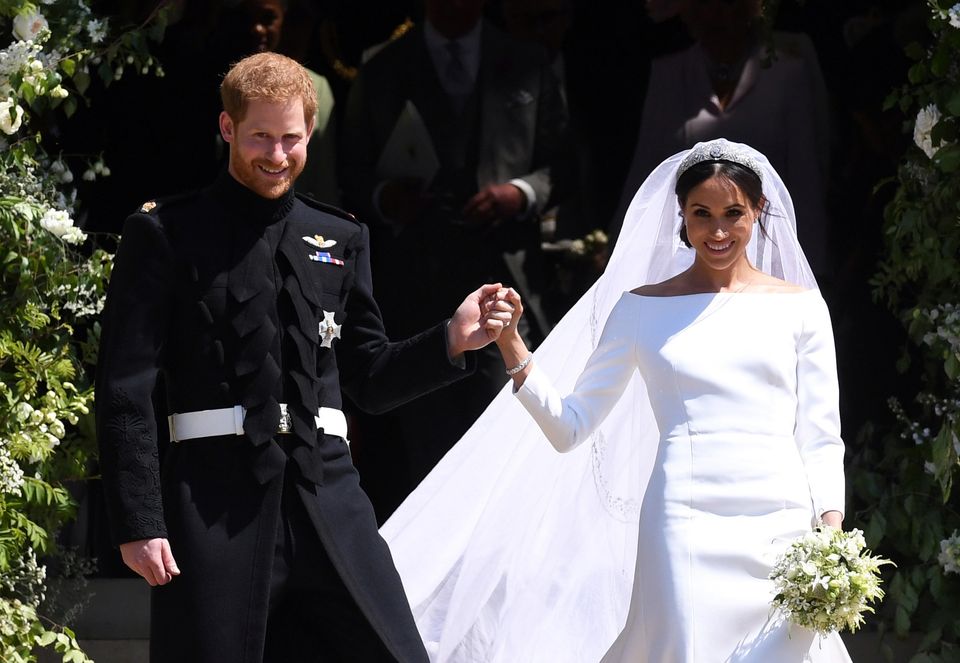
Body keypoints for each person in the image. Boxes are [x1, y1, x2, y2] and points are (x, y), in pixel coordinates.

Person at [95, 51, 504, 663]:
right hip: (213, 503)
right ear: (227, 127)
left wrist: (451, 339)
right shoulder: (164, 233)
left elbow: (368, 376)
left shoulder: (342, 236)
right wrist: (138, 519)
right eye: (260, 135)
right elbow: (126, 388)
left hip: (328, 494)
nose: (277, 155)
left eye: (291, 137)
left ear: (310, 131)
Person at [382, 139, 852, 662]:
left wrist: (829, 538)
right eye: (702, 214)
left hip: (781, 525)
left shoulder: (802, 308)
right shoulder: (640, 310)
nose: (718, 232)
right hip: (684, 522)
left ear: (758, 211)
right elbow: (571, 427)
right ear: (682, 214)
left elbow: (821, 435)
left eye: (733, 214)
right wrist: (512, 342)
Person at [339, 0, 571, 517]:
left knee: (515, 430)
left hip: (505, 279)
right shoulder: (383, 68)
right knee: (428, 447)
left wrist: (519, 193)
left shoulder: (527, 61)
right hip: (416, 292)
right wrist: (386, 199)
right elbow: (350, 172)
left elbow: (565, 165)